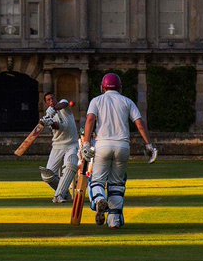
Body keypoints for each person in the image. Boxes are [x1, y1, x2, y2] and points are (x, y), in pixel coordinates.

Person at [79, 73, 156, 229]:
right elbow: (140, 124)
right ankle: (114, 221)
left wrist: (86, 143)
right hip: (123, 146)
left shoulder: (97, 100)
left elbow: (90, 120)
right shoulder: (127, 101)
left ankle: (100, 200)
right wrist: (149, 145)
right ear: (120, 87)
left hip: (103, 145)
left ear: (103, 87)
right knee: (117, 184)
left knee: (97, 181)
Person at [37, 92, 78, 204]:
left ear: (56, 98)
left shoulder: (63, 105)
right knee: (47, 175)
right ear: (46, 103)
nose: (51, 101)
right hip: (57, 146)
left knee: (70, 166)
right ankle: (66, 194)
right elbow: (59, 127)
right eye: (48, 100)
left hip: (71, 144)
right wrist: (50, 122)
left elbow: (64, 104)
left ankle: (58, 196)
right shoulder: (48, 114)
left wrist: (54, 109)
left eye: (52, 98)